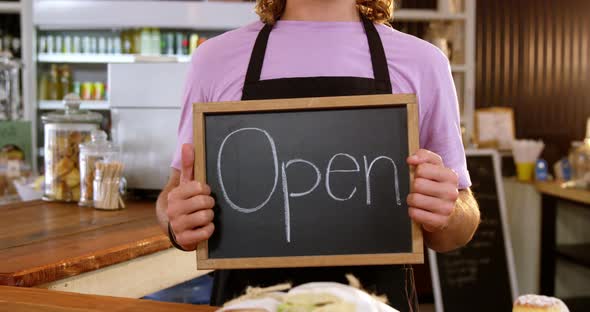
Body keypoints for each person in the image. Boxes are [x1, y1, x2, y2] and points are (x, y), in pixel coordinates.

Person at [156, 0, 480, 310]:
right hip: (250, 303)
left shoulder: (423, 61)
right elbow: (174, 192)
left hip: (378, 304)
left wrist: (448, 212)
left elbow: (461, 223)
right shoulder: (214, 59)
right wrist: (178, 219)